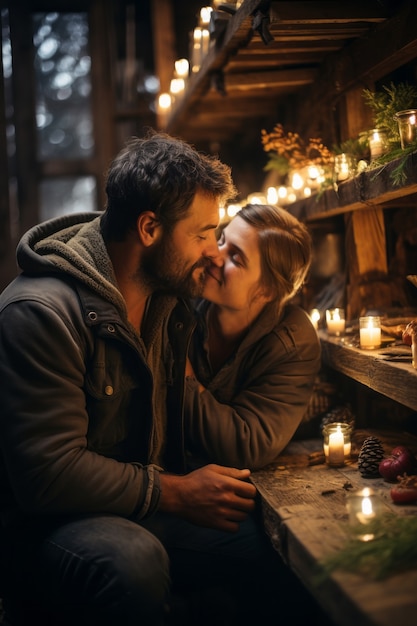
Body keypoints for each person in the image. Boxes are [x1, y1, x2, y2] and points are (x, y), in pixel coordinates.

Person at [0, 131, 263, 626]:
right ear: (149, 228)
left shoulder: (166, 298)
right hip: (52, 528)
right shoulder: (40, 313)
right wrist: (178, 492)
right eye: (204, 233)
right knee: (134, 564)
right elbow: (48, 476)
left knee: (269, 541)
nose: (214, 251)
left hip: (140, 506)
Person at [182, 203, 321, 471]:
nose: (214, 255)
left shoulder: (294, 343)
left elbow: (246, 445)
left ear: (268, 290)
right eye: (221, 240)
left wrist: (182, 374)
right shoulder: (180, 297)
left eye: (236, 258)